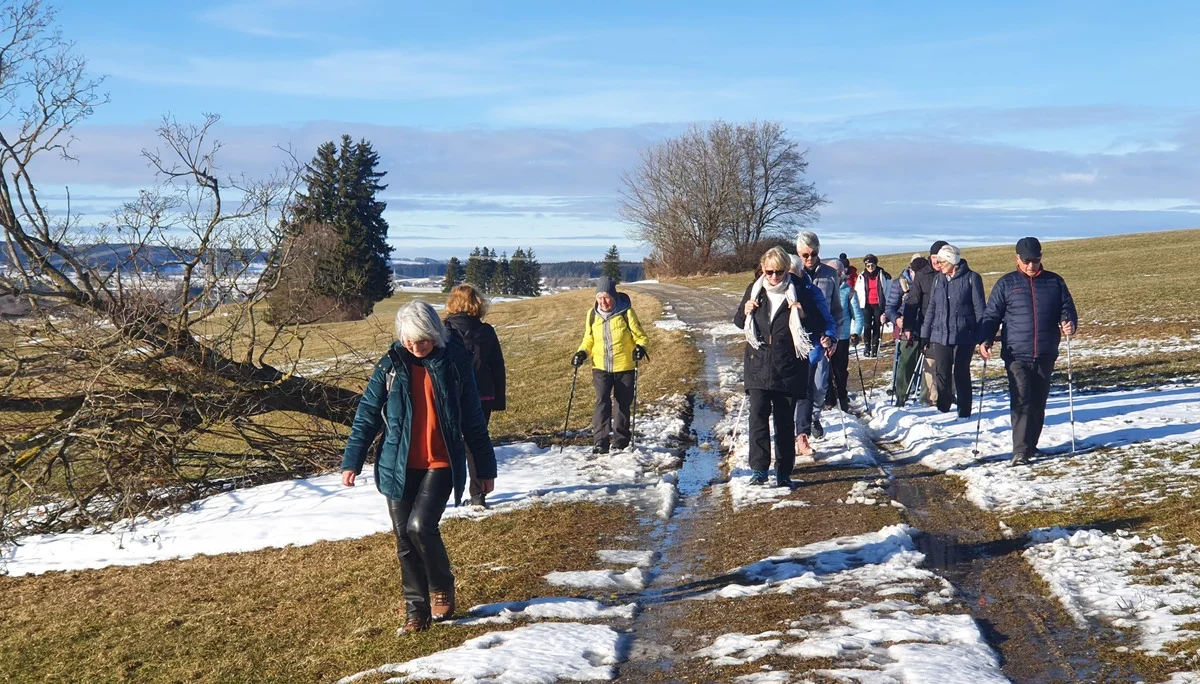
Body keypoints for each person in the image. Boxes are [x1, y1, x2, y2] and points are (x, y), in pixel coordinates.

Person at [341, 301, 497, 634]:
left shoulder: (455, 363)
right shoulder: (391, 365)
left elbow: (472, 419)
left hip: (440, 462)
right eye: (410, 341)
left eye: (422, 340)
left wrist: (485, 469)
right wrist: (351, 461)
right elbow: (366, 415)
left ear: (435, 334)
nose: (416, 347)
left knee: (420, 526)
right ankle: (416, 610)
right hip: (396, 465)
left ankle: (442, 584)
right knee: (404, 540)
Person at [734, 246, 834, 486]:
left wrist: (803, 313)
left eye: (779, 272)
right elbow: (739, 321)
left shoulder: (799, 291)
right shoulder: (755, 290)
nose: (774, 277)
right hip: (758, 362)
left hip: (788, 365)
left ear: (786, 270)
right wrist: (745, 311)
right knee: (757, 417)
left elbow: (819, 322)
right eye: (769, 272)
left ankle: (783, 472)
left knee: (784, 420)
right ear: (763, 270)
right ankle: (759, 470)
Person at [977, 237, 1078, 465]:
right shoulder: (1006, 284)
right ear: (1017, 259)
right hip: (1016, 353)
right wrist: (985, 339)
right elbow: (991, 315)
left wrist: (1069, 322)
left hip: (1045, 351)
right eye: (1026, 260)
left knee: (1038, 402)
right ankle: (1020, 451)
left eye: (1036, 260)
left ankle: (1031, 446)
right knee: (1022, 398)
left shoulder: (1054, 282)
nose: (1031, 265)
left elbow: (1067, 309)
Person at [443, 283, 507, 508]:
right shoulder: (486, 331)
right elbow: (497, 366)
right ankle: (478, 493)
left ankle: (440, 494)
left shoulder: (444, 330)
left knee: (448, 443)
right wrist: (499, 398)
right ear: (477, 303)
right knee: (476, 443)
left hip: (452, 396)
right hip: (483, 396)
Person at [572, 277, 649, 454]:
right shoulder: (592, 315)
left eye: (606, 297)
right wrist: (581, 352)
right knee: (602, 402)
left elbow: (641, 336)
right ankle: (601, 441)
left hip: (624, 367)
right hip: (600, 367)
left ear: (613, 296)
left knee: (622, 404)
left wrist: (640, 348)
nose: (603, 301)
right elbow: (588, 338)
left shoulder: (626, 313)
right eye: (599, 297)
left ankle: (621, 440)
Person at [920, 245, 985, 418]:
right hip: (940, 334)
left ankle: (964, 412)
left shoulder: (972, 278)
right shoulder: (938, 280)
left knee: (961, 372)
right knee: (942, 372)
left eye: (942, 261)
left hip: (965, 334)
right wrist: (924, 335)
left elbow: (980, 309)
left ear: (952, 261)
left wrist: (983, 337)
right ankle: (944, 408)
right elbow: (932, 308)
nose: (938, 265)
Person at [793, 231, 841, 446]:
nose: (809, 259)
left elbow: (837, 310)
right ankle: (799, 427)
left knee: (820, 385)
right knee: (800, 387)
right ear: (798, 253)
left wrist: (834, 338)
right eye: (805, 255)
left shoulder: (830, 274)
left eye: (813, 254)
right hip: (798, 339)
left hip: (822, 338)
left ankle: (814, 418)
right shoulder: (790, 272)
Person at [903, 240, 950, 406]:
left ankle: (950, 396)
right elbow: (912, 301)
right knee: (931, 362)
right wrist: (908, 326)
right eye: (933, 257)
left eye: (940, 258)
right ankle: (931, 399)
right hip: (928, 327)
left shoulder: (953, 274)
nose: (936, 262)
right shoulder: (923, 276)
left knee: (949, 363)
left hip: (951, 327)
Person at [883, 254, 927, 406]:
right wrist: (897, 319)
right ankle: (901, 396)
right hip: (906, 329)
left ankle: (923, 396)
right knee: (905, 362)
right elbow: (890, 308)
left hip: (926, 327)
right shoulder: (899, 283)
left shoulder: (929, 281)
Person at [824, 259, 864, 413]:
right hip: (826, 337)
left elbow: (858, 316)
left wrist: (856, 332)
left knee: (840, 370)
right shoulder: (823, 290)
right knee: (825, 370)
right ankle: (829, 399)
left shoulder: (849, 292)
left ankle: (842, 397)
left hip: (842, 337)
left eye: (837, 272)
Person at [854, 254, 891, 358]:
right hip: (866, 305)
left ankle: (875, 348)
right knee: (867, 326)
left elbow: (888, 290)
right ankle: (867, 347)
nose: (870, 268)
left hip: (878, 305)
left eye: (872, 266)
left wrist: (886, 303)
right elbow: (857, 291)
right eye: (868, 266)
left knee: (876, 326)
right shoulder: (861, 276)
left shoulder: (883, 275)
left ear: (876, 265)